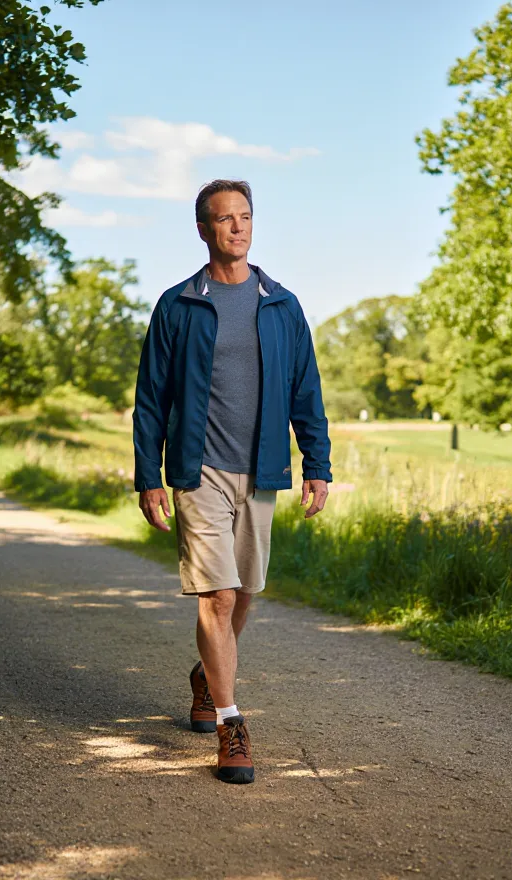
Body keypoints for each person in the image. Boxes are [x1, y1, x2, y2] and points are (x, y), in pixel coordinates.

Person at [132, 179, 332, 784]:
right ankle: (230, 724)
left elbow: (305, 390)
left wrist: (317, 464)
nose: (238, 227)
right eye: (225, 219)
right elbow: (151, 398)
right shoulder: (178, 305)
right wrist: (148, 476)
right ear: (203, 229)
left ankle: (205, 674)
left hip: (262, 468)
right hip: (198, 471)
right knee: (217, 596)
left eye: (245, 216)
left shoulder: (282, 305)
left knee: (244, 593)